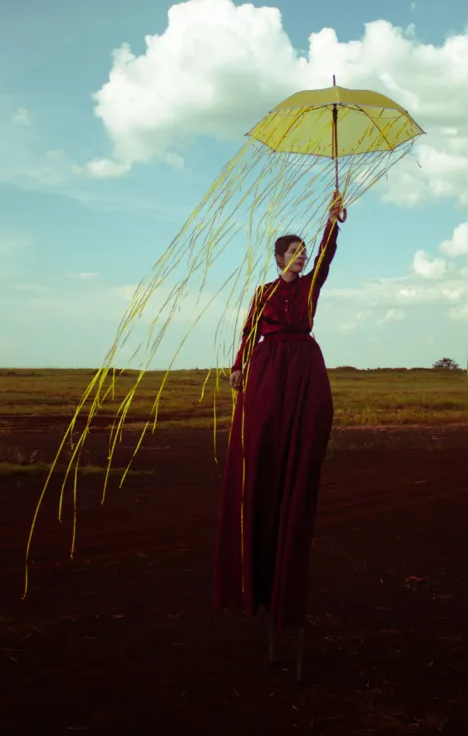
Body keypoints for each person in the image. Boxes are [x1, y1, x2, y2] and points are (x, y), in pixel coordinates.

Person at [213, 193, 344, 673]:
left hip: (305, 367)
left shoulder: (309, 288)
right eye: (295, 252)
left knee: (305, 440)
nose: (302, 256)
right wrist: (237, 367)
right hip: (270, 368)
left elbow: (328, 257)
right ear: (279, 256)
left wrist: (332, 223)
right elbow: (249, 332)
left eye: (305, 251)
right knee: (263, 442)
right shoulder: (264, 293)